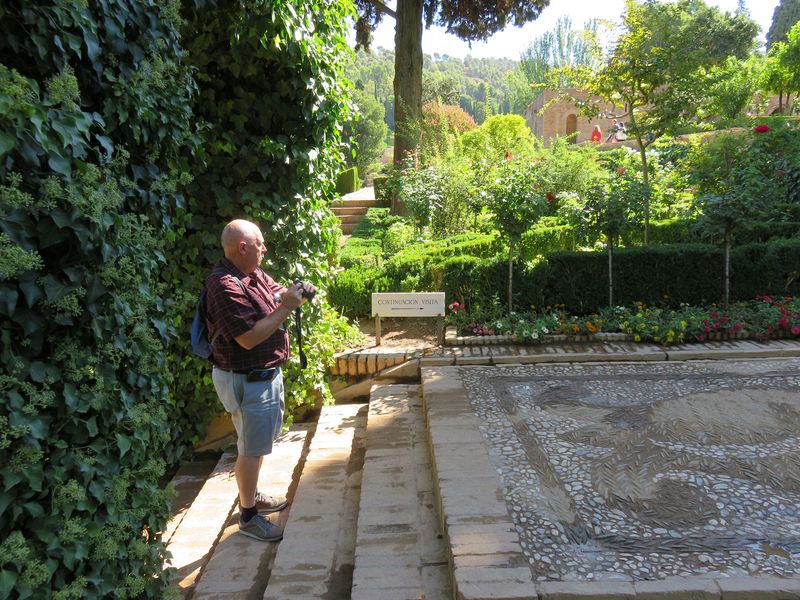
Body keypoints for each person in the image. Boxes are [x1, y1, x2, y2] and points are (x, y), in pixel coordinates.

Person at [204, 219, 314, 542]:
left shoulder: (251, 273)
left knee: (257, 444)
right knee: (250, 449)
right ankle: (248, 515)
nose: (265, 250)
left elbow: (276, 291)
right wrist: (288, 307)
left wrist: (293, 293)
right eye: (260, 245)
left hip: (263, 378)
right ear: (243, 247)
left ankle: (251, 494)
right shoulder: (224, 285)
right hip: (247, 381)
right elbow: (248, 339)